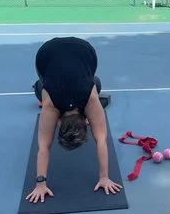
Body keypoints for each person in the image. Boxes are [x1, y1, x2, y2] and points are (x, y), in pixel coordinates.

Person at [26, 36, 122, 204]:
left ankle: (42, 84)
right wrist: (104, 177)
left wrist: (41, 184)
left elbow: (44, 147)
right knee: (92, 83)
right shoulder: (57, 105)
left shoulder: (56, 105)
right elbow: (101, 140)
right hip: (56, 52)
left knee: (94, 83)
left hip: (75, 50)